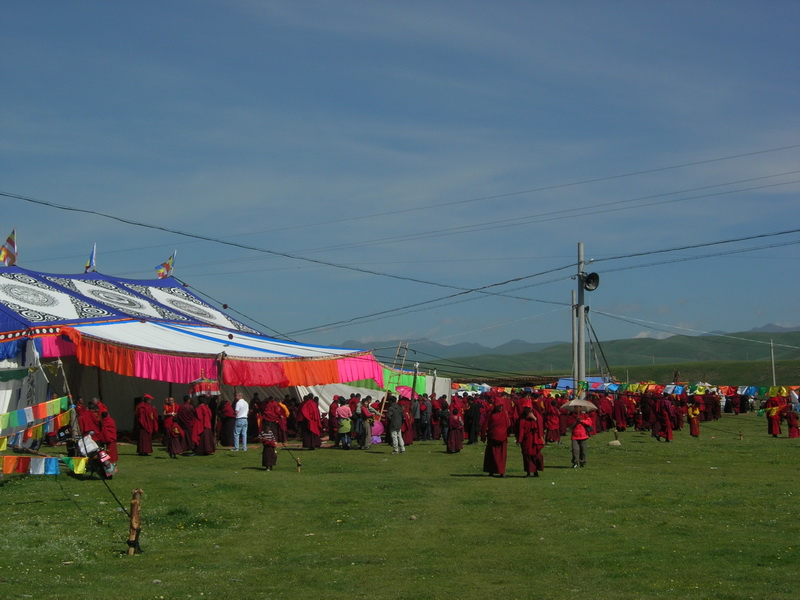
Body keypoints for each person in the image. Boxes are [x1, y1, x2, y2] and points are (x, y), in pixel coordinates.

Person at [482, 403, 511, 477]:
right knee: (491, 455)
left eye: (501, 406)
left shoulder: (504, 413)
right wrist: (483, 435)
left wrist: (507, 433)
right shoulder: (491, 413)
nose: (500, 407)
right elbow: (485, 424)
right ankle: (491, 471)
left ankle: (501, 472)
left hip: (502, 437)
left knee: (501, 456)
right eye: (499, 406)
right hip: (492, 436)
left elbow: (508, 425)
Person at [517, 406, 544, 477]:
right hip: (526, 439)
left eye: (528, 408)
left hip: (535, 439)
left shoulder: (536, 415)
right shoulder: (522, 417)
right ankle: (528, 472)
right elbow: (520, 429)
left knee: (537, 456)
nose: (527, 410)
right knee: (527, 455)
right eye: (526, 408)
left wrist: (534, 418)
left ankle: (536, 471)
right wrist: (519, 440)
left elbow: (540, 425)